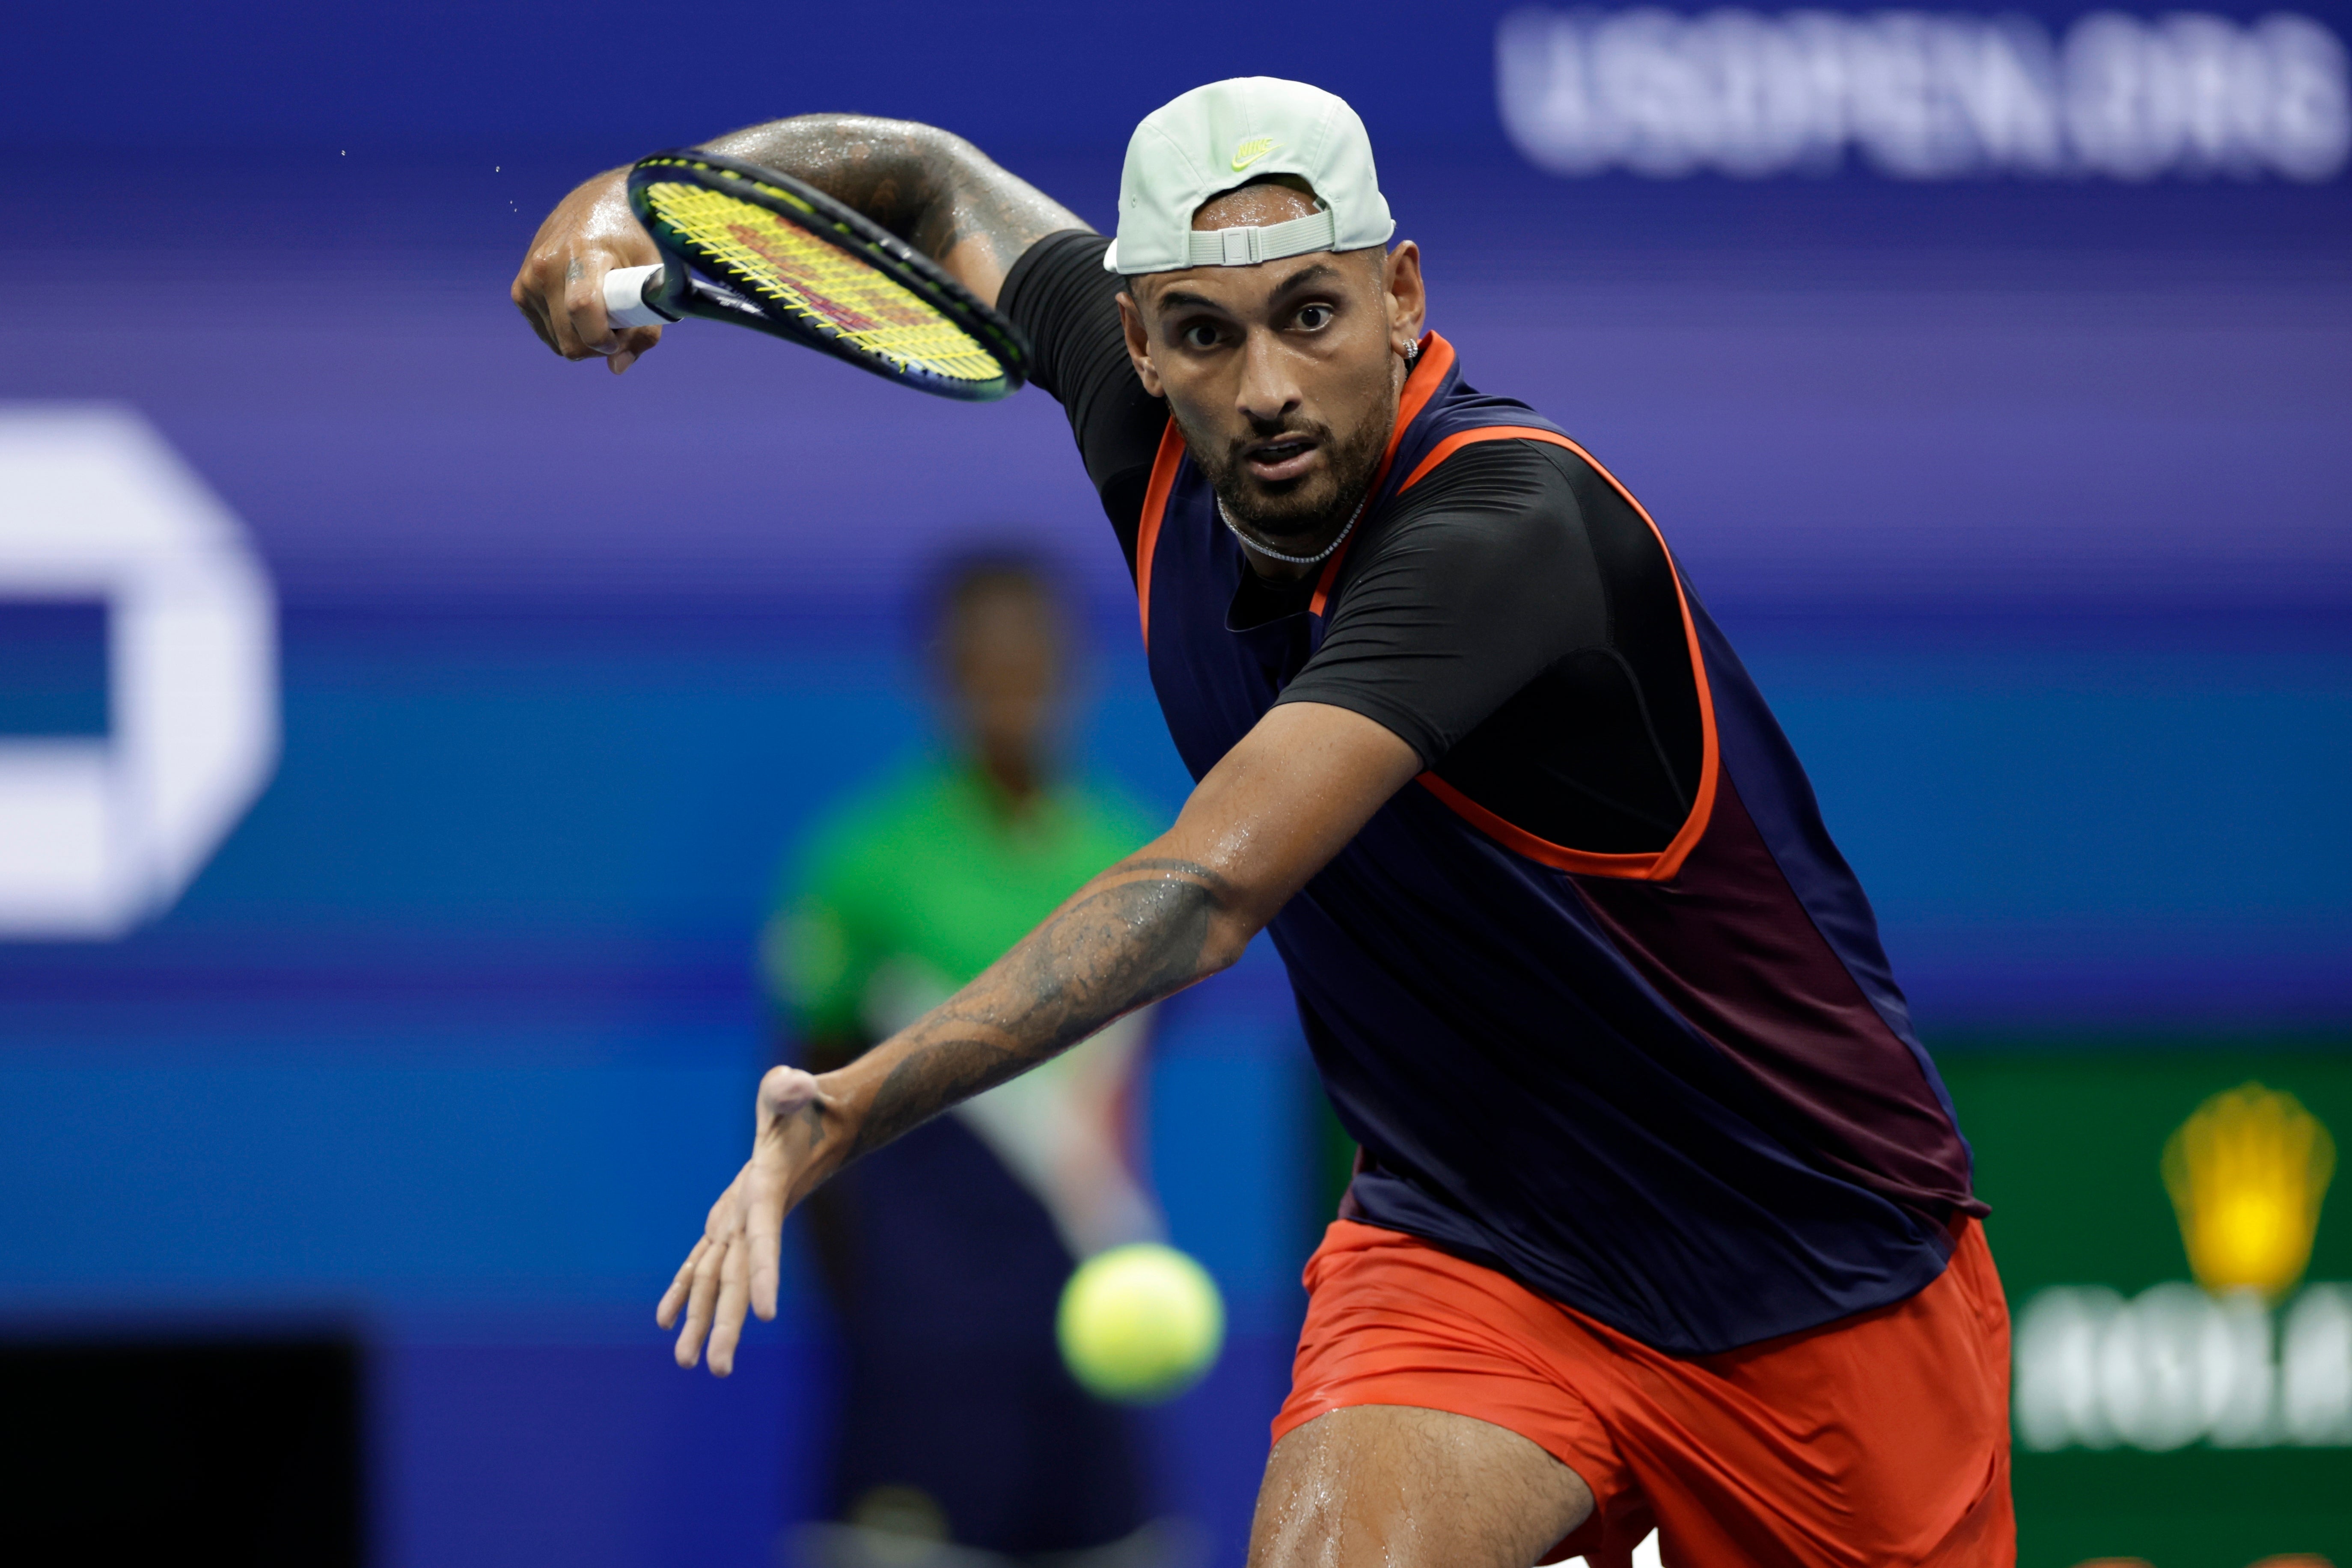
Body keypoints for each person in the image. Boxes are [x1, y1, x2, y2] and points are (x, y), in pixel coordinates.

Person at [514, 77, 2012, 1568]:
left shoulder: (1511, 524)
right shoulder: (1155, 432)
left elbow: (1202, 892)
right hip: (1479, 1244)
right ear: (1138, 346)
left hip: (1818, 1275)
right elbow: (921, 176)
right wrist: (628, 199)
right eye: (1206, 336)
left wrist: (853, 1100)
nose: (1267, 387)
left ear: (1401, 294)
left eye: (1312, 314)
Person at [767, 556, 1170, 1565]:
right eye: (980, 656)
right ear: (942, 671)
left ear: (1072, 665)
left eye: (1029, 650)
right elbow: (805, 1111)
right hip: (919, 1342)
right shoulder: (864, 864)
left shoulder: (1140, 858)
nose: (1008, 676)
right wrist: (878, 1315)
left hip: (1093, 1314)